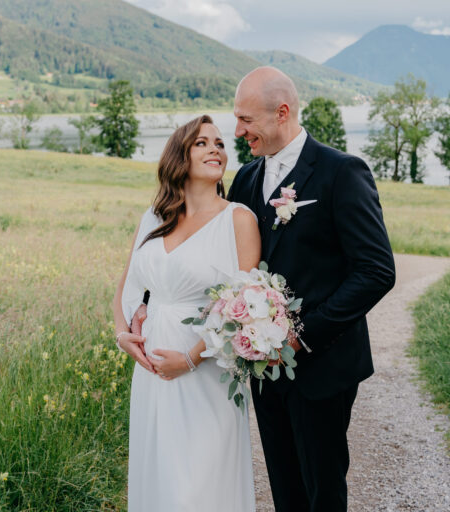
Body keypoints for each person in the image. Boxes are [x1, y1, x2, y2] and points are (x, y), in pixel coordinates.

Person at [227, 66, 396, 511]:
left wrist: (303, 335)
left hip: (323, 366)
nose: (238, 130)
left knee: (321, 491)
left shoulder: (341, 172)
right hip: (264, 368)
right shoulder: (245, 179)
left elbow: (376, 270)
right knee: (284, 487)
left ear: (281, 112)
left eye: (246, 119)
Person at [112, 115, 260, 512]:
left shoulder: (239, 220)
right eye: (202, 143)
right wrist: (121, 333)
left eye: (220, 143)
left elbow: (246, 309)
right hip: (152, 371)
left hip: (206, 372)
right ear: (181, 155)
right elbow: (126, 287)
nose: (216, 149)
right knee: (159, 477)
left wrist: (191, 360)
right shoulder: (154, 217)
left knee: (197, 487)